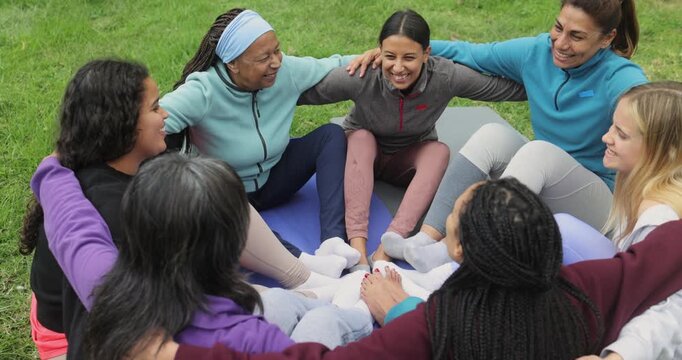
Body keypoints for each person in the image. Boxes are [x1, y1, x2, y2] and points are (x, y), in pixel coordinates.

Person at [140, 179, 682, 359]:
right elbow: (664, 252)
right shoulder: (587, 289)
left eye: (449, 222)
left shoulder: (435, 327)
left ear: (463, 252)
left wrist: (180, 352)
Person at [18, 59, 340, 359]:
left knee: (212, 192)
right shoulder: (112, 212)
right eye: (155, 107)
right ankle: (305, 288)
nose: (166, 114)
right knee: (284, 311)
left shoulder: (133, 161)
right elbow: (172, 299)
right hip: (78, 337)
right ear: (123, 125)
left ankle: (302, 273)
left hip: (130, 303)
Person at [349, 0, 648, 272]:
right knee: (493, 135)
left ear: (606, 39)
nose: (561, 42)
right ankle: (428, 242)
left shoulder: (618, 76)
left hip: (597, 203)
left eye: (577, 36)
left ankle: (465, 259)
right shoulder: (537, 52)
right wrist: (405, 51)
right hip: (541, 183)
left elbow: (653, 111)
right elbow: (471, 53)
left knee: (538, 151)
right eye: (558, 27)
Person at [298, 9, 525, 269]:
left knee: (438, 151)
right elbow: (308, 92)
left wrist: (550, 83)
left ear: (426, 54)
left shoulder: (445, 77)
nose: (397, 67)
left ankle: (389, 246)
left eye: (409, 58)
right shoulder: (364, 75)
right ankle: (358, 249)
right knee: (360, 138)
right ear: (379, 51)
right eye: (389, 56)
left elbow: (500, 89)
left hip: (405, 161)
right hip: (361, 160)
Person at [160, 8, 359, 270]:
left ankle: (332, 239)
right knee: (210, 208)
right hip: (228, 196)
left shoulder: (284, 70)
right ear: (232, 63)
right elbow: (151, 123)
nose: (276, 61)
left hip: (275, 178)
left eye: (277, 50)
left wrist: (383, 58)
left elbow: (334, 64)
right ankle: (300, 262)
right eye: (264, 57)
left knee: (331, 135)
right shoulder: (203, 91)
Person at [557, 81, 682, 359]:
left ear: (665, 151)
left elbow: (670, 311)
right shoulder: (640, 193)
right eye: (612, 126)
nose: (606, 137)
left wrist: (618, 355)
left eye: (621, 134)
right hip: (617, 315)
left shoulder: (661, 219)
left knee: (562, 231)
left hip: (625, 332)